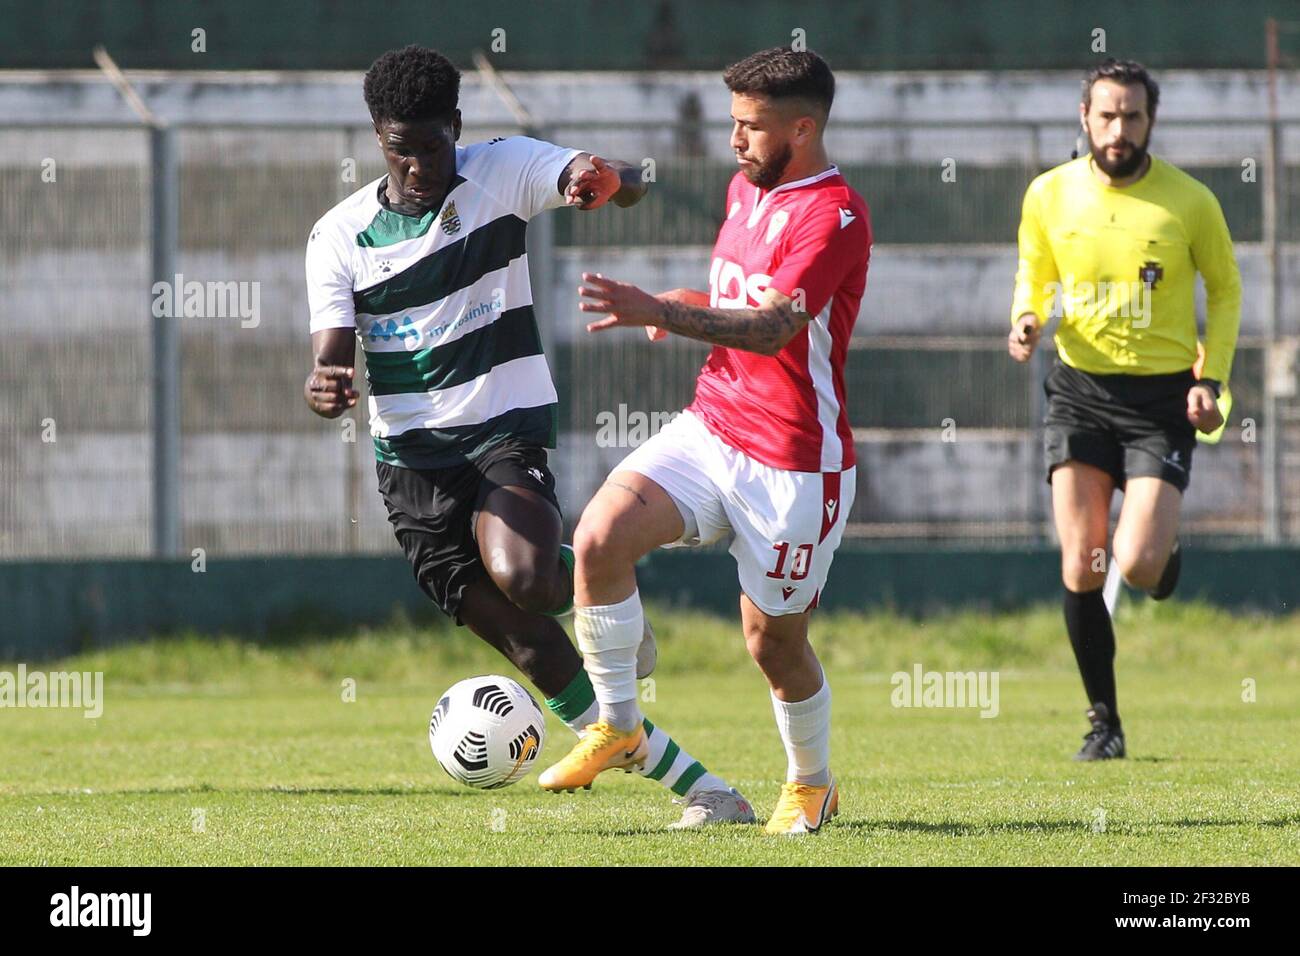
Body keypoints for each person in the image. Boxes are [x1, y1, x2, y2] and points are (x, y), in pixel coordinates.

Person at [304, 45, 745, 825]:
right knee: (534, 649)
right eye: (400, 150)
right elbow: (330, 362)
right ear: (378, 137)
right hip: (412, 467)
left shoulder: (502, 168)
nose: (417, 167)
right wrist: (325, 387)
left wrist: (605, 182)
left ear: (458, 128)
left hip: (502, 431)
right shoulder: (338, 237)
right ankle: (708, 794)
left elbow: (612, 176)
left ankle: (590, 575)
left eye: (432, 147)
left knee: (532, 582)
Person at [537, 46, 872, 835]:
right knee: (597, 538)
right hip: (713, 425)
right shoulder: (742, 190)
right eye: (732, 123)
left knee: (773, 645)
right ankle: (619, 727)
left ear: (803, 127)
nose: (736, 140)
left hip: (796, 465)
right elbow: (737, 298)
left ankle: (811, 784)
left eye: (751, 127)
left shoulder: (837, 215)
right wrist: (686, 300)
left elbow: (775, 326)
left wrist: (659, 312)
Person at [1007, 59, 1241, 760]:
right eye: (1106, 115)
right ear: (1084, 118)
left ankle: (1163, 555)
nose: (1119, 129)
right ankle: (1103, 723)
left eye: (1132, 116)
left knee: (1135, 565)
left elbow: (1226, 289)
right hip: (1079, 391)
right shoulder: (1049, 194)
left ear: (1151, 121)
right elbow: (1034, 270)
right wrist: (1026, 317)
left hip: (1162, 398)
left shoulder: (1189, 201)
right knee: (1083, 562)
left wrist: (1216, 380)